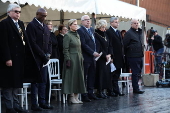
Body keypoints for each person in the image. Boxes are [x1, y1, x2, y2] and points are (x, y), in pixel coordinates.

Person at [0, 3, 29, 113]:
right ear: (9, 12)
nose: (18, 14)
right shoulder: (4, 23)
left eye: (19, 12)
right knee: (8, 83)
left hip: (19, 58)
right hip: (10, 58)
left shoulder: (21, 23)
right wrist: (7, 58)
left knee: (17, 83)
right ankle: (9, 106)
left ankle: (16, 105)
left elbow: (24, 40)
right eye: (16, 11)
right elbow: (3, 43)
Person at [26, 8, 53, 111]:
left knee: (43, 81)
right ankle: (34, 103)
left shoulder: (45, 26)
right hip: (35, 58)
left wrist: (49, 54)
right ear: (37, 14)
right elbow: (32, 43)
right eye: (42, 15)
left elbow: (49, 41)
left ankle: (42, 102)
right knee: (35, 82)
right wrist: (43, 55)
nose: (44, 17)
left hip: (44, 58)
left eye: (45, 16)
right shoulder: (31, 25)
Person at [62, 19, 86, 103]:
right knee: (71, 77)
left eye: (76, 24)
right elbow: (65, 49)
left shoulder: (77, 35)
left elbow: (79, 48)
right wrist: (68, 59)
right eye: (74, 24)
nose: (76, 26)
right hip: (72, 58)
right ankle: (71, 97)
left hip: (78, 57)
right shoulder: (67, 36)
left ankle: (76, 97)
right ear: (70, 26)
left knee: (78, 77)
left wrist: (81, 57)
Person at [77, 15, 101, 102]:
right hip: (86, 57)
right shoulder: (80, 31)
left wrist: (96, 51)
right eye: (86, 20)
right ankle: (84, 94)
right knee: (85, 76)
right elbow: (83, 44)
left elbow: (94, 42)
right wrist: (92, 52)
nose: (88, 21)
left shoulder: (91, 30)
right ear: (82, 21)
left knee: (92, 75)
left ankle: (91, 93)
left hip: (93, 57)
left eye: (89, 20)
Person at [123, 19, 145, 94]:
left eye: (137, 23)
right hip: (132, 56)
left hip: (139, 55)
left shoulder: (139, 32)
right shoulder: (129, 33)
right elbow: (124, 44)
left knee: (138, 72)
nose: (136, 24)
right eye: (134, 23)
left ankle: (136, 87)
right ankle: (136, 89)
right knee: (135, 72)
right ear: (131, 24)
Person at [106, 17, 125, 97]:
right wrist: (111, 57)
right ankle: (111, 91)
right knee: (112, 75)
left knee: (117, 75)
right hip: (113, 57)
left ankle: (117, 90)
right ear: (111, 23)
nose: (117, 23)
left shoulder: (118, 32)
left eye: (118, 22)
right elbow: (109, 45)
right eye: (115, 22)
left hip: (119, 57)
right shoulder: (109, 32)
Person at [94, 19, 113, 99]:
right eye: (102, 27)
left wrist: (109, 54)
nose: (104, 29)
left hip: (107, 58)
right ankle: (99, 90)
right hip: (100, 58)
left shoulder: (105, 34)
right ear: (99, 27)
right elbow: (99, 47)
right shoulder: (96, 34)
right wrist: (105, 55)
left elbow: (110, 45)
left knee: (106, 75)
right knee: (100, 75)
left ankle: (104, 90)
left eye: (105, 27)